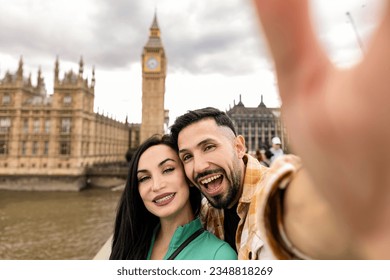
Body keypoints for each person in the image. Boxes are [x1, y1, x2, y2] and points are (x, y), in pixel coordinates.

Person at [170, 0, 390, 259]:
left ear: (239, 146)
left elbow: (301, 211)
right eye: (187, 156)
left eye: (209, 146)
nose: (200, 165)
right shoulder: (208, 211)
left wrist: (349, 209)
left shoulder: (272, 197)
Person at [109, 134, 237, 260]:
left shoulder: (219, 257)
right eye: (144, 178)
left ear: (188, 177)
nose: (157, 186)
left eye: (168, 170)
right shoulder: (130, 243)